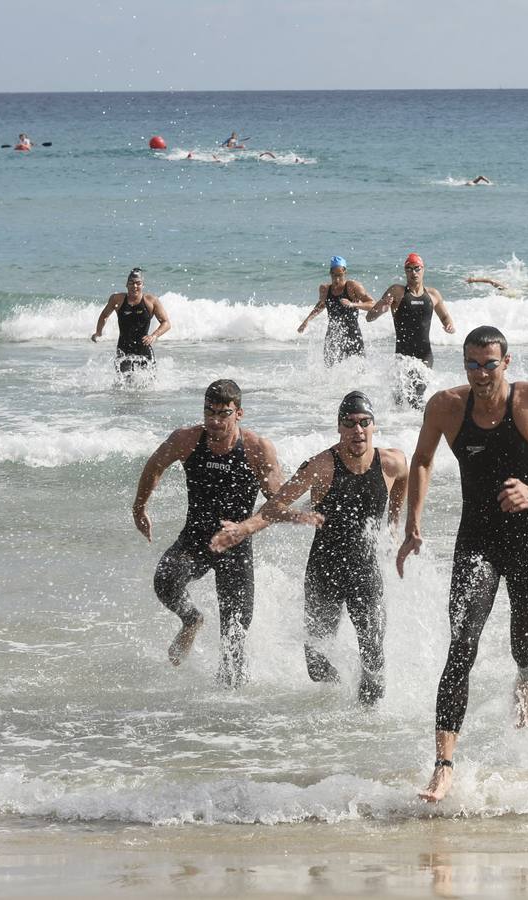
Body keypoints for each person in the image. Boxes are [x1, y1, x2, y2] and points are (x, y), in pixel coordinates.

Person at [396, 325, 528, 802]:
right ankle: (444, 764)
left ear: (506, 362)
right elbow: (421, 460)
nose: (481, 373)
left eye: (490, 363)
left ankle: (526, 682)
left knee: (523, 649)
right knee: (461, 644)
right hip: (477, 543)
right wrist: (414, 524)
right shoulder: (446, 406)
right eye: (472, 364)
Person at [211, 391, 408, 703]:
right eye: (349, 424)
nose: (357, 430)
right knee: (316, 666)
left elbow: (405, 480)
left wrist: (395, 527)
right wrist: (244, 529)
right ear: (339, 428)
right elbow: (275, 506)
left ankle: (365, 726)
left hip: (365, 571)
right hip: (324, 572)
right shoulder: (321, 466)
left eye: (364, 423)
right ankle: (340, 691)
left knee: (373, 651)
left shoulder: (392, 462)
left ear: (373, 426)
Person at [133, 379, 282, 687]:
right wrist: (139, 508)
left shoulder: (257, 448)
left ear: (239, 413)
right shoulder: (186, 440)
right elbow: (155, 466)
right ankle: (192, 620)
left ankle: (229, 718)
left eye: (223, 414)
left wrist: (249, 526)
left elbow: (276, 504)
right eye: (209, 412)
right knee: (165, 580)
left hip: (236, 548)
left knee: (235, 633)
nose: (214, 421)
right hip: (195, 539)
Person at [367, 253, 455, 408]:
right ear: (405, 271)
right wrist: (383, 308)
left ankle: (420, 428)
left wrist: (449, 326)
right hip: (402, 357)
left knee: (416, 398)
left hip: (425, 356)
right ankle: (398, 430)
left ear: (423, 269)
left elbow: (445, 316)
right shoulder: (396, 291)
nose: (413, 272)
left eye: (416, 268)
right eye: (409, 269)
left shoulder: (433, 294)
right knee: (398, 401)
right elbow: (370, 317)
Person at [91, 268, 171, 380]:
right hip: (124, 349)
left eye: (138, 283)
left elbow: (166, 323)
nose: (135, 286)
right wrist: (98, 333)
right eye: (131, 283)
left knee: (150, 383)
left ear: (143, 285)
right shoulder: (117, 299)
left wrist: (154, 336)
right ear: (126, 285)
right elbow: (104, 315)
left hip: (144, 348)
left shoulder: (151, 301)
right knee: (123, 385)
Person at [298, 256, 378, 367]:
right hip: (333, 334)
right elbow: (321, 305)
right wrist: (307, 320)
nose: (337, 280)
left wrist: (353, 304)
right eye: (334, 275)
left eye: (340, 275)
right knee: (329, 368)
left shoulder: (352, 286)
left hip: (352, 334)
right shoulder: (325, 289)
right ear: (330, 273)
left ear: (345, 271)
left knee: (360, 369)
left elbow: (373, 304)